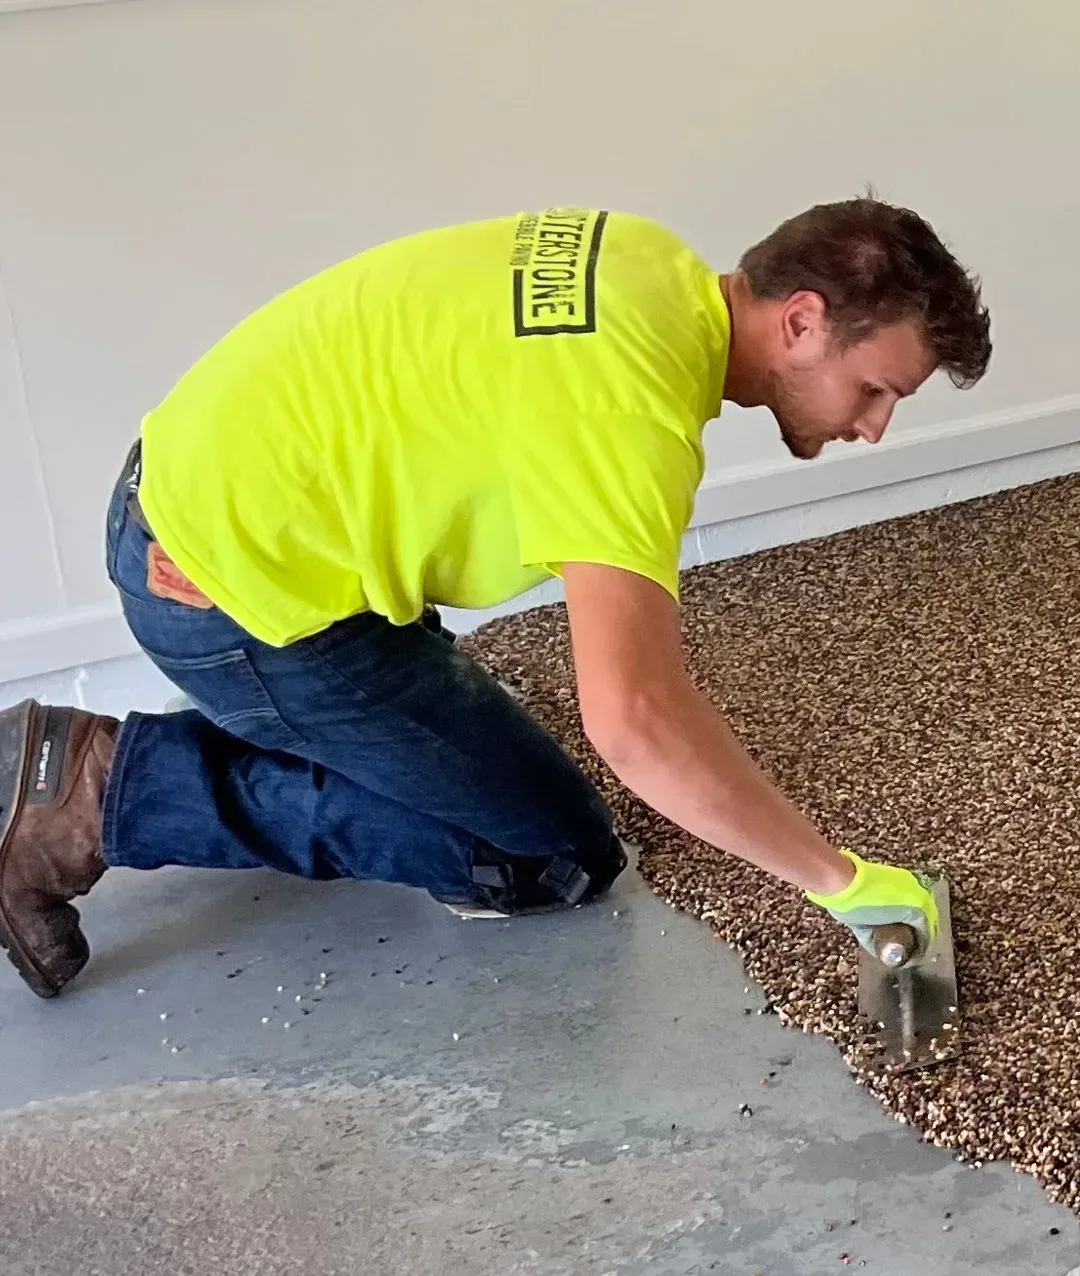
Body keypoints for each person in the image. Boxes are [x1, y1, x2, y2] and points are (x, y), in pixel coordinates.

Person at [0, 196, 991, 999]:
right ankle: (93, 788)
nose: (875, 429)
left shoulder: (647, 261)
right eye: (875, 389)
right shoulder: (626, 416)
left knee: (461, 745)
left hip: (207, 496)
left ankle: (285, 719)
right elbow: (635, 718)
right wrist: (842, 881)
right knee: (545, 855)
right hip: (224, 590)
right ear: (804, 319)